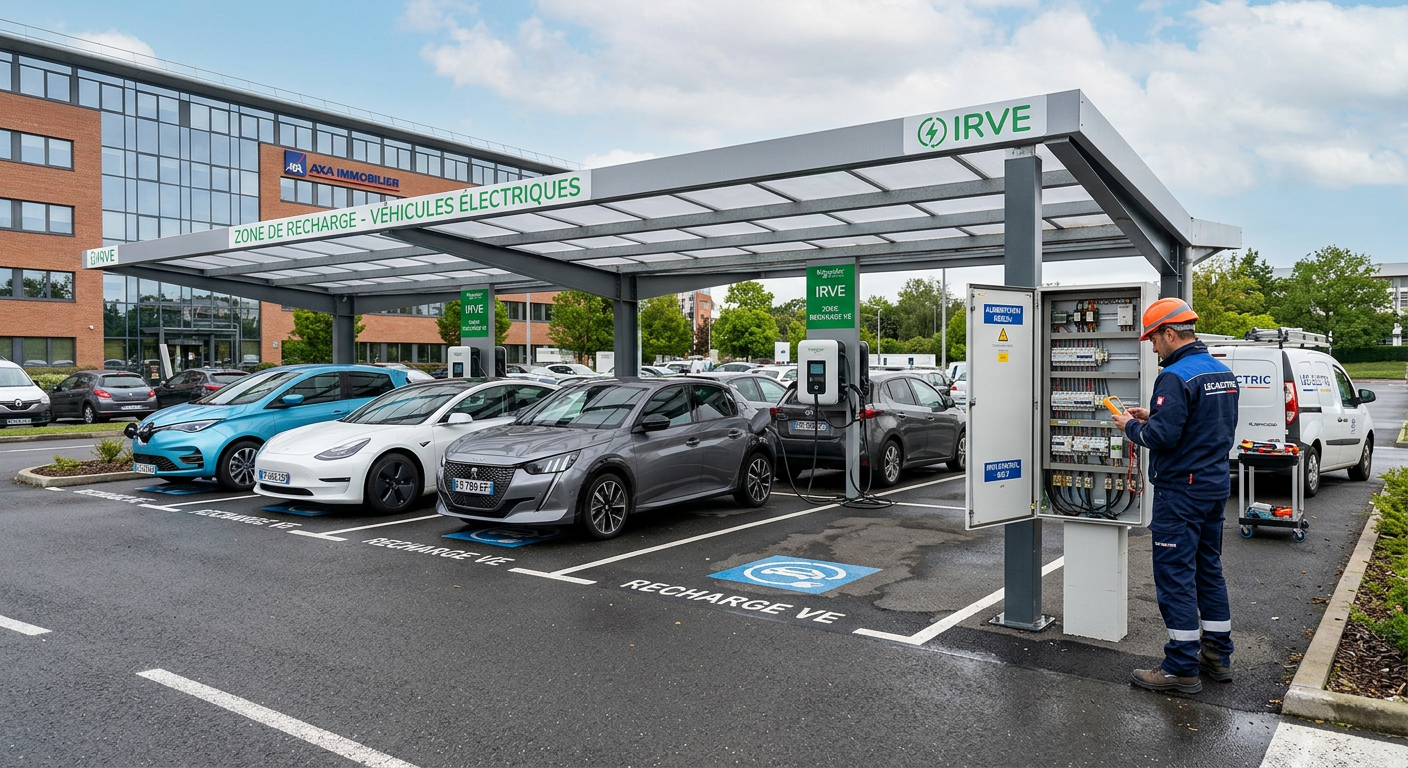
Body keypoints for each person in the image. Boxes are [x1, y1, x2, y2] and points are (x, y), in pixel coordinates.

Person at [1111, 298, 1239, 694]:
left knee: (1175, 577)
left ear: (1170, 333)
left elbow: (1161, 438)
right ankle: (1217, 655)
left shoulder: (1174, 377)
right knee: (1208, 570)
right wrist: (1154, 414)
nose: (1152, 348)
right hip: (1213, 486)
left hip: (1179, 494)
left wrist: (1130, 427)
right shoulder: (1222, 372)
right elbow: (1201, 424)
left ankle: (1180, 666)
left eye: (1153, 339)